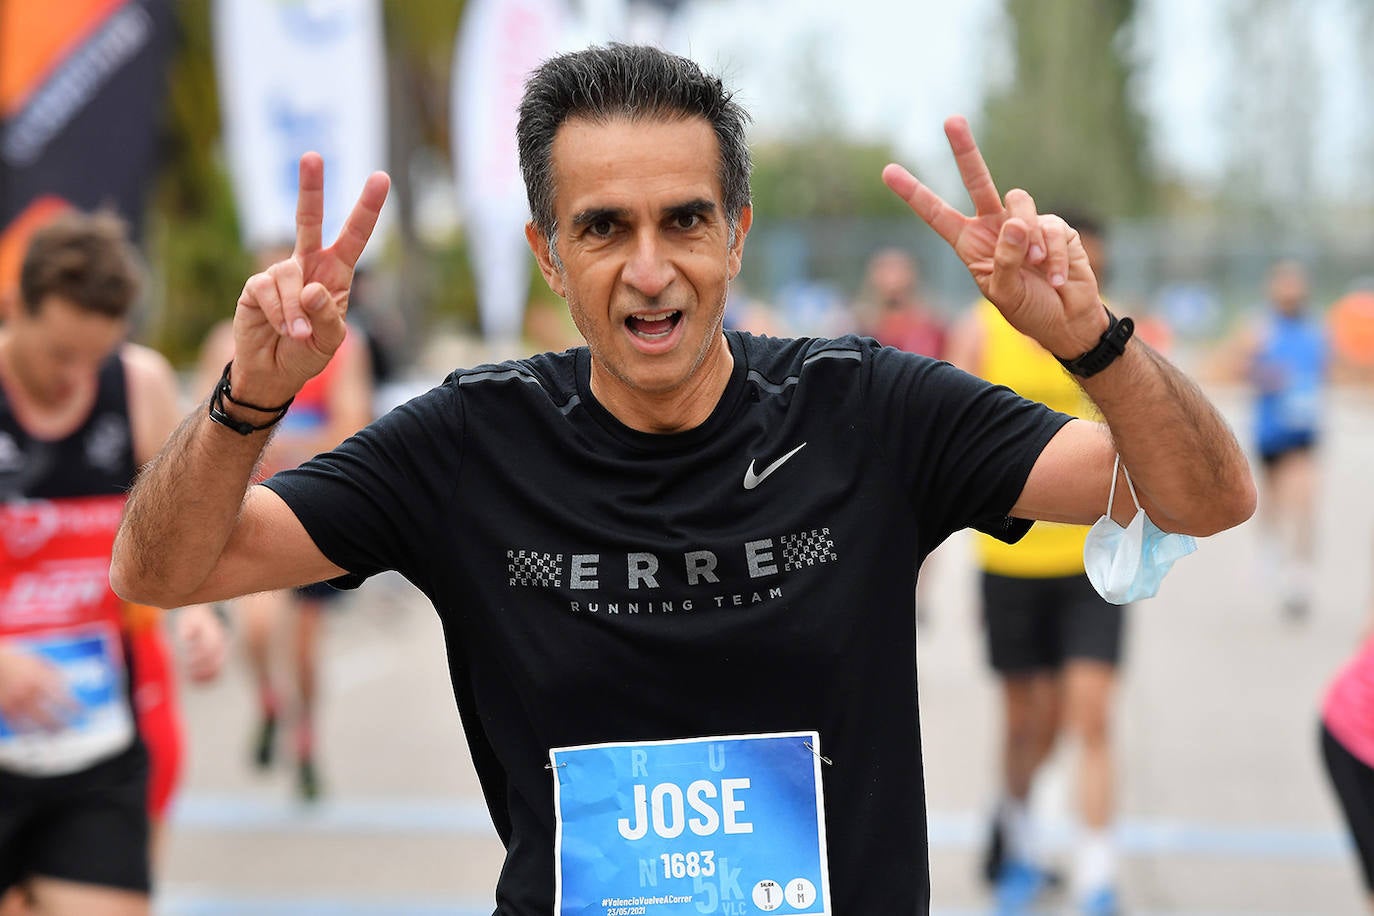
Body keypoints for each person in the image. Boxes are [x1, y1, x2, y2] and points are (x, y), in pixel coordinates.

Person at [109, 45, 1256, 915]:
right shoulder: (471, 442)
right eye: (604, 228)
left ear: (738, 233)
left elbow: (1200, 497)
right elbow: (167, 569)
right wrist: (247, 399)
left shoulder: (866, 410)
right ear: (549, 254)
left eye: (685, 220)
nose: (651, 271)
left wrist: (1094, 340)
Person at [0, 211, 225, 915]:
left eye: (92, 358)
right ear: (16, 310)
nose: (74, 378)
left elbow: (181, 531)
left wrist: (197, 611)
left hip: (93, 739)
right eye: (59, 354)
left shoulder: (137, 387)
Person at [946, 209, 1125, 913]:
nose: (1090, 278)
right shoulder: (983, 328)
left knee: (1093, 715)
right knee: (1030, 721)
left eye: (1101, 268)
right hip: (1010, 562)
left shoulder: (1113, 334)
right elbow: (947, 444)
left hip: (1093, 563)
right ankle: (1014, 829)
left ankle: (1098, 871)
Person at [198, 250, 374, 802]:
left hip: (313, 509)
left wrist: (261, 434)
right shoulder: (221, 343)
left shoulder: (345, 345)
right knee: (254, 631)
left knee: (303, 651)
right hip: (249, 507)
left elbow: (352, 430)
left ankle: (304, 742)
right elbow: (205, 433)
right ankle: (271, 705)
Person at [1217, 260, 1328, 619]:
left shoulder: (1316, 332)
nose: (1290, 291)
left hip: (1304, 431)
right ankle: (1269, 550)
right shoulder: (1259, 328)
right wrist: (1260, 371)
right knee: (1273, 501)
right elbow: (1228, 367)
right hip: (1269, 432)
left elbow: (1332, 371)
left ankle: (1299, 575)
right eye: (1284, 284)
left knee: (1304, 498)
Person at [856, 247, 947, 359]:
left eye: (898, 270)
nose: (893, 279)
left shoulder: (930, 327)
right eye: (886, 270)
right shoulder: (862, 327)